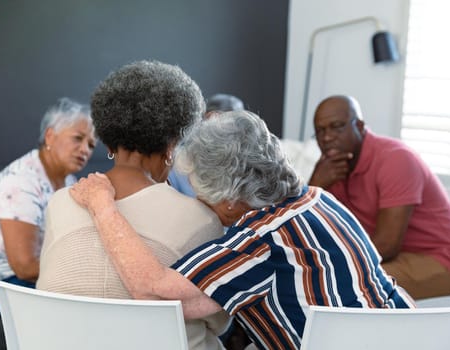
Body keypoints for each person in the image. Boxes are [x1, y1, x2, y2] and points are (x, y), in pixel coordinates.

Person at [70, 110, 415, 350]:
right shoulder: (320, 199)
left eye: (200, 192)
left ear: (232, 200)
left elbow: (154, 291)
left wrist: (102, 205)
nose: (199, 201)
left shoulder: (258, 242)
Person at [36, 60, 230, 350]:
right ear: (171, 147)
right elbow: (218, 317)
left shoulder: (60, 203)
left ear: (109, 141)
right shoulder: (200, 220)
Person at [308, 95, 450, 300]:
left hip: (440, 260)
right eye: (320, 131)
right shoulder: (332, 167)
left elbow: (387, 245)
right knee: (321, 280)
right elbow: (312, 231)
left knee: (343, 284)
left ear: (359, 126)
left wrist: (333, 265)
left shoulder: (396, 159)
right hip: (392, 256)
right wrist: (315, 185)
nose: (327, 137)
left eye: (336, 127)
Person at [0, 97, 96, 316]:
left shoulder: (68, 181)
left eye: (90, 145)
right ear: (50, 136)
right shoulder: (21, 184)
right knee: (78, 306)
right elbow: (24, 267)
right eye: (77, 138)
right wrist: (83, 273)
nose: (85, 150)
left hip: (26, 275)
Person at [168, 93, 244, 197]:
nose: (236, 131)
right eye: (231, 123)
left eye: (240, 124)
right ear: (211, 117)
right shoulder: (177, 160)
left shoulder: (242, 162)